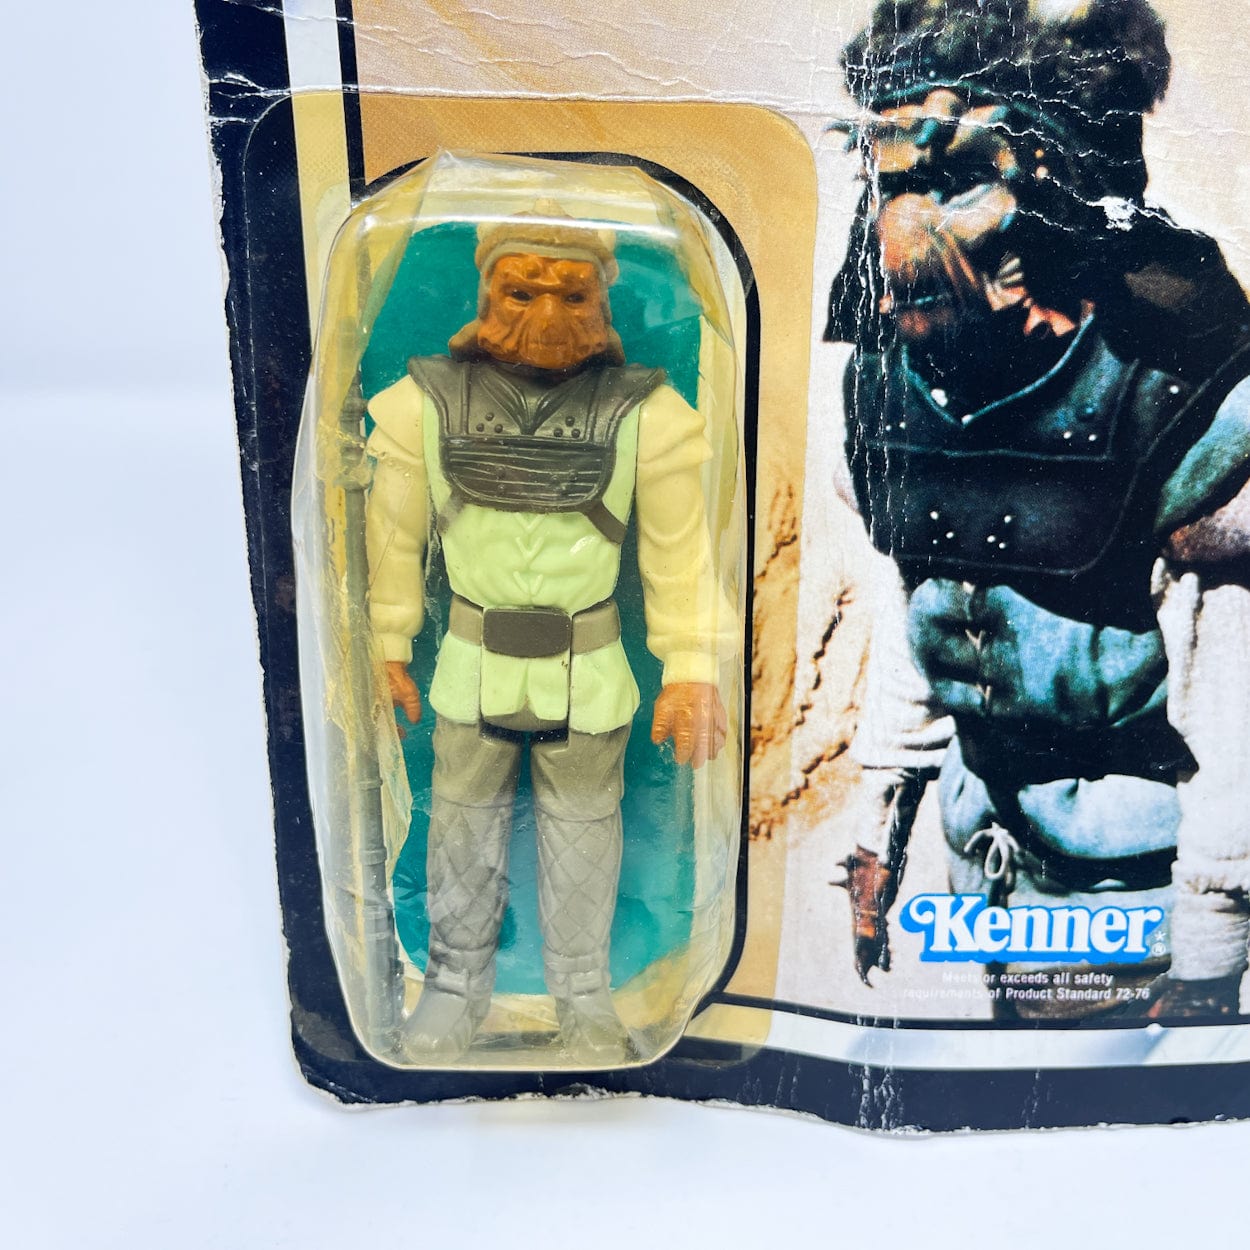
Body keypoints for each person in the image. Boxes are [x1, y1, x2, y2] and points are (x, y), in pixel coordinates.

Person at [829, 0, 1250, 1017]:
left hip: (1138, 889)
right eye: (893, 181)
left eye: (954, 179)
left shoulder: (1172, 408)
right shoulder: (896, 400)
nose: (903, 228)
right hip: (988, 866)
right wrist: (876, 830)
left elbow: (1232, 696)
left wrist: (1207, 948)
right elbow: (919, 611)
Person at [364, 208, 732, 1059]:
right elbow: (393, 540)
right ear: (486, 294)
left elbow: (680, 554)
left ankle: (585, 998)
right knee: (460, 828)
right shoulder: (423, 407)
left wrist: (691, 665)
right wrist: (385, 645)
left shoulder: (648, 415)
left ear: (602, 300)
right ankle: (452, 991)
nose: (546, 314)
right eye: (521, 292)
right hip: (470, 665)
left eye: (571, 294)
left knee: (584, 832)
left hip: (589, 669)